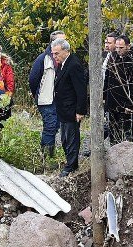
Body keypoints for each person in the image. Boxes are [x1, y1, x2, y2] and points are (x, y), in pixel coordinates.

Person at [51, 39, 87, 177]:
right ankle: (71, 162)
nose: (55, 56)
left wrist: (80, 111)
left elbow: (81, 90)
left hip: (71, 109)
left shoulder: (74, 65)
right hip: (63, 109)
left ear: (66, 51)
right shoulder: (62, 64)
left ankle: (71, 166)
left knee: (71, 138)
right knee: (65, 138)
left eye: (57, 53)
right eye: (53, 54)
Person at [29, 30, 66, 157]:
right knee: (50, 126)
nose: (64, 43)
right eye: (61, 41)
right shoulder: (43, 59)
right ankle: (47, 157)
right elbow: (33, 79)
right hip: (46, 99)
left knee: (55, 127)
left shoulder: (66, 58)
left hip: (59, 99)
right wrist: (38, 95)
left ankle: (46, 154)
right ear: (52, 43)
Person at [104, 34, 133, 144]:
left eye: (121, 48)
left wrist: (130, 105)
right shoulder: (113, 57)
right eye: (116, 47)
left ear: (128, 46)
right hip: (112, 100)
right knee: (113, 131)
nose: (118, 50)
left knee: (128, 132)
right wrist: (104, 97)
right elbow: (107, 79)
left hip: (126, 101)